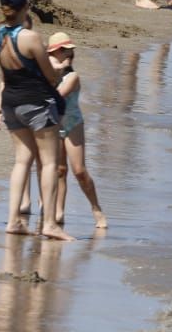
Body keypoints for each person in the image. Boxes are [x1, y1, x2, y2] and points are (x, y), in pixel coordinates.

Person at [0, 0, 72, 241]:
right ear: (26, 6)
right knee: (49, 162)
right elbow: (49, 76)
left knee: (21, 161)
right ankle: (49, 223)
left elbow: (6, 72)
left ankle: (14, 219)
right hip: (36, 103)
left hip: (11, 104)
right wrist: (60, 70)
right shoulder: (30, 37)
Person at [46, 33, 108, 231]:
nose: (70, 53)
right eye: (65, 50)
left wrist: (56, 70)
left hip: (73, 124)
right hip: (54, 125)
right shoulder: (46, 74)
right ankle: (58, 212)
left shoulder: (72, 76)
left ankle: (96, 209)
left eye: (71, 50)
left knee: (79, 171)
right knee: (59, 170)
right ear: (55, 52)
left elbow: (58, 95)